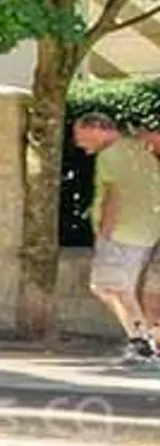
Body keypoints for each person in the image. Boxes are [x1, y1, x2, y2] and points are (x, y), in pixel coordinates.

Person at [76, 107, 158, 360]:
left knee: (107, 288)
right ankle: (140, 340)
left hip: (121, 233)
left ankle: (141, 341)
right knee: (119, 288)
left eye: (82, 135)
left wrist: (104, 234)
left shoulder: (110, 156)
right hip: (145, 231)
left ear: (100, 129)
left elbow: (113, 197)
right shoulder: (136, 150)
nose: (78, 143)